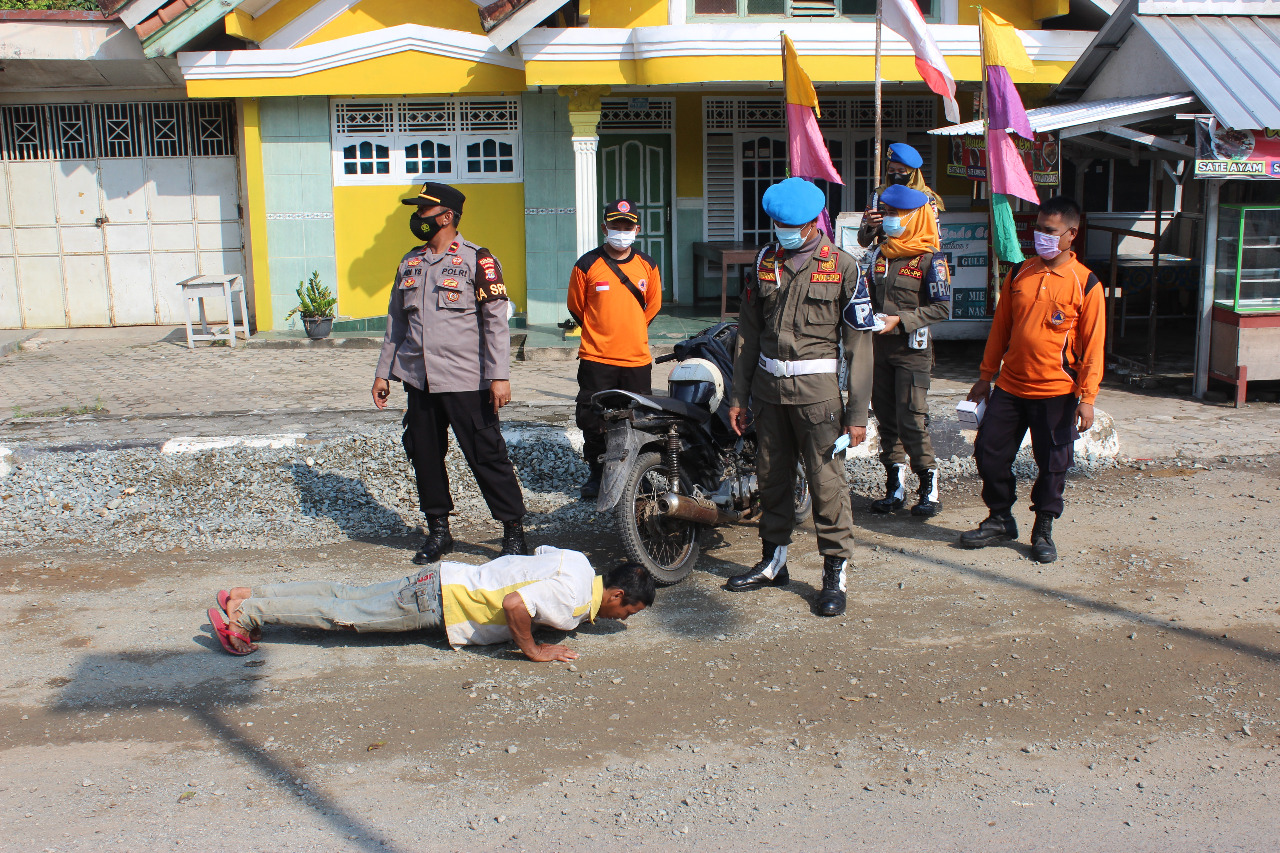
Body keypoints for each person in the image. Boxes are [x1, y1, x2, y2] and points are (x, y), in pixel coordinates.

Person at [725, 177, 876, 617]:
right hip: (769, 394)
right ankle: (774, 562)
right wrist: (738, 396)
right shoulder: (763, 263)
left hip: (819, 398)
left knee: (826, 485)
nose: (783, 231)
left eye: (791, 224)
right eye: (776, 223)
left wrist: (858, 413)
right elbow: (747, 336)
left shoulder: (844, 267)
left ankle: (835, 572)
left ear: (813, 223)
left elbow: (859, 347)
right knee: (771, 478)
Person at [372, 181, 529, 565]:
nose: (417, 217)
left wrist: (500, 376)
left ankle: (513, 532)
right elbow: (395, 323)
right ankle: (439, 531)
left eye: (423, 211)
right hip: (419, 379)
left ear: (446, 216)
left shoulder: (479, 260)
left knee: (487, 455)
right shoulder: (409, 262)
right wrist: (383, 374)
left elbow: (496, 323)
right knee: (425, 455)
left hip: (465, 380)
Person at [959, 196, 1104, 563]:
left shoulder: (1085, 283)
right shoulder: (1019, 273)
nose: (1041, 235)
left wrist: (1087, 397)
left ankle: (1043, 527)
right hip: (1010, 386)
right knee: (989, 452)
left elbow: (1093, 347)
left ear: (1071, 234)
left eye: (1049, 230)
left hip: (1057, 392)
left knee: (1053, 462)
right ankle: (1000, 518)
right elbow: (1000, 330)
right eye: (1038, 228)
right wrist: (984, 376)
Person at [205, 547, 656, 663]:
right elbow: (518, 603)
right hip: (440, 601)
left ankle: (248, 595)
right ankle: (245, 617)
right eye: (628, 612)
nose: (623, 619)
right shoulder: (573, 603)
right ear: (616, 596)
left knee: (346, 595)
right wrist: (533, 650)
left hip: (443, 577)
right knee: (345, 615)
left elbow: (535, 559)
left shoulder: (578, 565)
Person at [864, 183, 952, 517]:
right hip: (879, 349)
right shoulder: (879, 255)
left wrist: (901, 320)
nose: (890, 219)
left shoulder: (931, 258)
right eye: (887, 213)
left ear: (914, 216)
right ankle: (895, 486)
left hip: (912, 351)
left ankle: (928, 486)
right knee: (886, 419)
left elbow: (942, 308)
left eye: (897, 214)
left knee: (912, 418)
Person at [567, 199, 662, 499]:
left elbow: (653, 305)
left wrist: (629, 330)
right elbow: (576, 307)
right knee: (593, 419)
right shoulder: (586, 265)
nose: (622, 231)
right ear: (604, 227)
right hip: (596, 358)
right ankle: (597, 475)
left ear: (637, 228)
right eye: (616, 225)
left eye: (627, 225)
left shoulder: (648, 265)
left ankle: (636, 476)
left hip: (636, 360)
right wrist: (602, 331)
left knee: (637, 419)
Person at [858, 142, 945, 250]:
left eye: (901, 171)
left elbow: (935, 236)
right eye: (891, 170)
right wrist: (870, 226)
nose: (896, 175)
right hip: (886, 254)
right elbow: (863, 241)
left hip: (915, 254)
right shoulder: (879, 195)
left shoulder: (925, 198)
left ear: (912, 173)